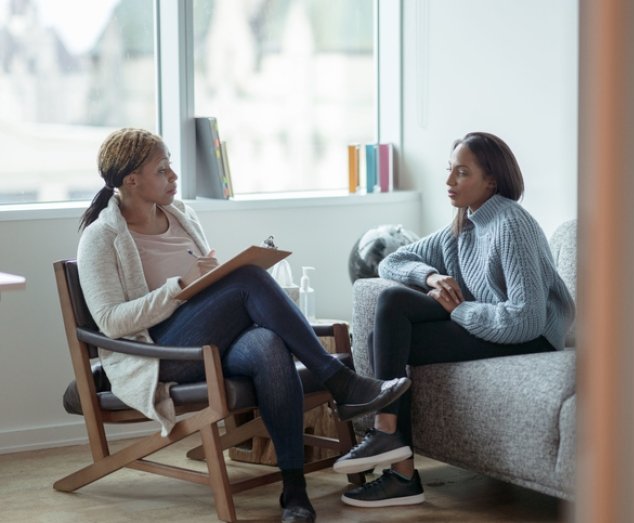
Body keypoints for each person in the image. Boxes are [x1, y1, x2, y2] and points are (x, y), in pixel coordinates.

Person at [76, 128, 410, 523]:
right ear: (131, 180)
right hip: (159, 354)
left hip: (207, 342)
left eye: (171, 168)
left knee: (268, 343)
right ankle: (340, 381)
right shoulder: (101, 237)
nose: (174, 178)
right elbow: (112, 322)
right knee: (248, 278)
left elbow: (202, 293)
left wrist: (205, 282)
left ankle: (295, 491)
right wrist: (180, 287)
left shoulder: (182, 216)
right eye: (163, 170)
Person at [332, 131, 576, 507]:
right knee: (386, 321)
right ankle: (401, 470)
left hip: (532, 336)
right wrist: (432, 277)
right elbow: (390, 261)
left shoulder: (512, 224)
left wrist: (459, 310)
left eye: (462, 173)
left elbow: (526, 319)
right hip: (491, 319)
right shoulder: (463, 226)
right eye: (450, 171)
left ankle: (389, 445)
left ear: (491, 180)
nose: (448, 182)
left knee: (393, 316)